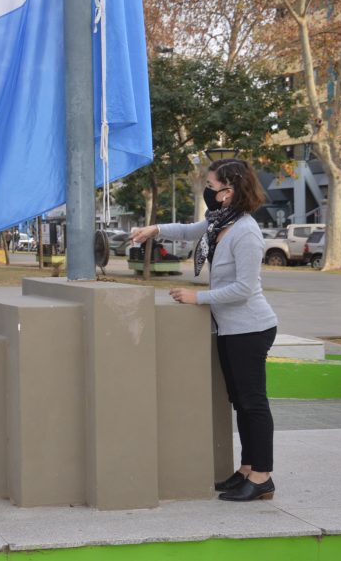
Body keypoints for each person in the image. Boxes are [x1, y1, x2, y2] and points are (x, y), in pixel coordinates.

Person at [130, 158, 278, 502]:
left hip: (250, 328)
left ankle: (263, 478)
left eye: (211, 187)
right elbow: (187, 230)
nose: (207, 192)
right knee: (240, 402)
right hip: (230, 329)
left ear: (228, 192)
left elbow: (244, 288)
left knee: (254, 403)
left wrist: (199, 297)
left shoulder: (246, 232)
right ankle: (246, 469)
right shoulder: (218, 221)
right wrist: (155, 229)